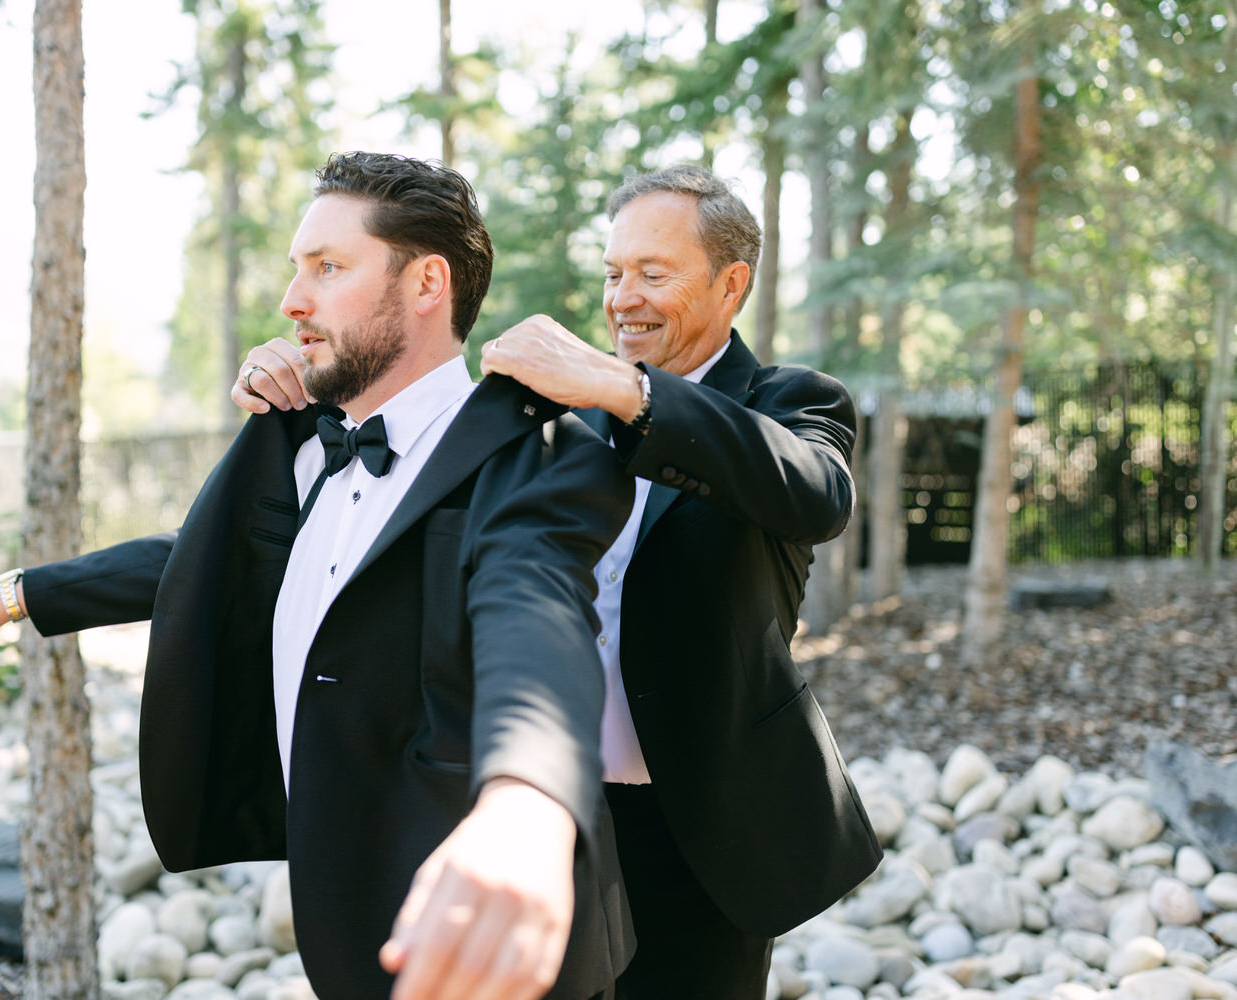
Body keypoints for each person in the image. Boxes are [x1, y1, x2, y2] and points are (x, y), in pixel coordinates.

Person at [0, 151, 636, 1000]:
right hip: (344, 914)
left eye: (328, 267)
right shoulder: (306, 438)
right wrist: (7, 599)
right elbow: (201, 564)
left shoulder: (534, 449)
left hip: (495, 939)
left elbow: (534, 614)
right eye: (296, 269)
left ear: (428, 283)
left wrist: (527, 806)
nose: (293, 301)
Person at [238, 164, 882, 999]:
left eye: (654, 274)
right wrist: (299, 390)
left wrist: (626, 390)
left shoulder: (792, 400)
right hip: (557, 809)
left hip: (707, 821)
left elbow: (815, 493)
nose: (624, 300)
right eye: (613, 275)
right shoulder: (556, 421)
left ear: (733, 284)